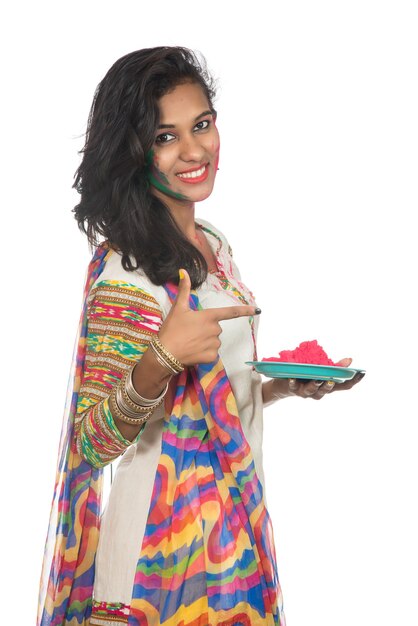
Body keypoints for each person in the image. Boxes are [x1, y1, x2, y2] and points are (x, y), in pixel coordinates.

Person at [37, 47, 364, 626]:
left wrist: (281, 386)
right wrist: (161, 355)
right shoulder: (127, 272)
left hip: (228, 540)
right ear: (134, 152)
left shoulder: (215, 245)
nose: (195, 151)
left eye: (202, 125)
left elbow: (206, 398)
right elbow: (92, 441)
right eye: (166, 137)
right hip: (154, 561)